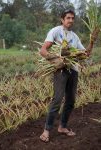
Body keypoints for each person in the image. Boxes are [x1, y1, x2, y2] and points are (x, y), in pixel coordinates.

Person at [39, 9, 96, 142]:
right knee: (57, 99)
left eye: (72, 18)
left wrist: (92, 42)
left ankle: (62, 126)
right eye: (68, 18)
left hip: (73, 70)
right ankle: (46, 130)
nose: (71, 20)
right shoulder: (55, 31)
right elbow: (43, 50)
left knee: (71, 100)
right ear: (62, 19)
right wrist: (54, 59)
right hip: (60, 71)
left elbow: (85, 54)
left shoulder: (75, 37)